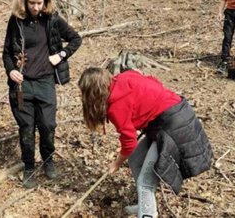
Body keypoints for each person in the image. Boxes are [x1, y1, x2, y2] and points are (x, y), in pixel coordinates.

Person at [78, 67, 212, 217]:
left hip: (173, 127)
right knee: (135, 159)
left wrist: (117, 163)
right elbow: (154, 81)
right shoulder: (125, 76)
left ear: (93, 93)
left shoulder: (116, 107)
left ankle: (147, 214)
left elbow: (129, 142)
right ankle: (145, 203)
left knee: (145, 181)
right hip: (166, 120)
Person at [2, 0, 82, 189]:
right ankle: (29, 167)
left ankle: (48, 160)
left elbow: (75, 39)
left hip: (46, 81)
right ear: (25, 2)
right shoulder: (16, 20)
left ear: (45, 1)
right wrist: (11, 70)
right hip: (23, 84)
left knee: (47, 126)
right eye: (32, 3)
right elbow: (7, 52)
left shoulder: (52, 20)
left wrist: (61, 55)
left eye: (39, 2)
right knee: (27, 128)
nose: (36, 7)